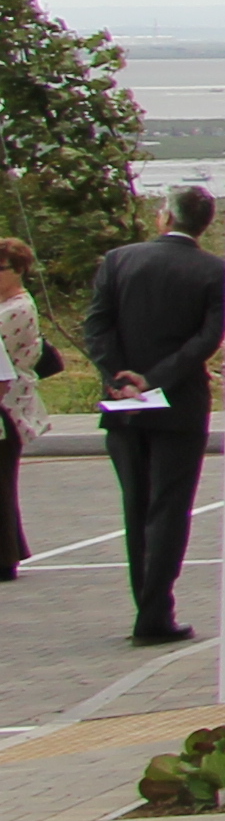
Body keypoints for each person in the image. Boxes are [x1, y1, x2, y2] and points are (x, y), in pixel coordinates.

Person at [89, 187, 225, 647]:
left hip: (124, 401)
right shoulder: (215, 271)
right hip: (180, 401)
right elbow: (206, 340)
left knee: (136, 504)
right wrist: (156, 378)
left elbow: (97, 325)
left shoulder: (118, 260)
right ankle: (154, 611)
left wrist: (121, 378)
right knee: (169, 508)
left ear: (165, 216)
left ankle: (146, 606)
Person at [0, 241, 45, 582]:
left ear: (18, 270)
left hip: (8, 404)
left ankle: (6, 556)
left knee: (2, 483)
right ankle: (10, 549)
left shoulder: (16, 308)